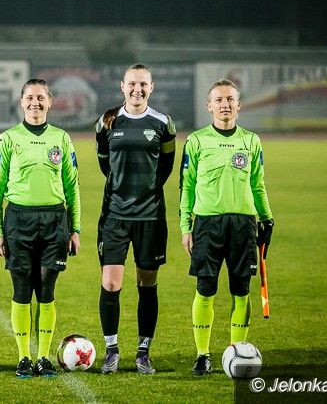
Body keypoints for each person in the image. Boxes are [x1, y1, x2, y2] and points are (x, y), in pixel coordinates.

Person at [179, 79, 274, 376]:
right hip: (207, 224)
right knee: (205, 289)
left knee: (241, 291)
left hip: (243, 225)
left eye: (230, 100)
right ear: (209, 106)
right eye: (219, 100)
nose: (225, 105)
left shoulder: (251, 141)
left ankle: (237, 351)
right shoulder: (196, 141)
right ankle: (202, 355)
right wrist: (185, 226)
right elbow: (187, 187)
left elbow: (257, 184)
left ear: (239, 105)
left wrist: (267, 218)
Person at [0, 79, 81, 378]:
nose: (35, 103)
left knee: (46, 289)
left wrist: (75, 228)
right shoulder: (8, 139)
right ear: (21, 102)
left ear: (50, 102)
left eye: (41, 97)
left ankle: (43, 357)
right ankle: (23, 357)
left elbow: (72, 186)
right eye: (30, 97)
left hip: (55, 221)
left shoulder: (61, 138)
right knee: (21, 288)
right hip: (18, 221)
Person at [94, 64, 176, 374]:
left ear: (151, 87)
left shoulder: (163, 124)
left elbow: (165, 167)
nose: (137, 89)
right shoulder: (107, 122)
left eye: (143, 84)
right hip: (114, 215)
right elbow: (105, 163)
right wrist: (122, 189)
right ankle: (111, 351)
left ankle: (143, 352)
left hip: (150, 216)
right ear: (122, 86)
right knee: (110, 283)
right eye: (132, 83)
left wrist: (145, 191)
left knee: (147, 282)